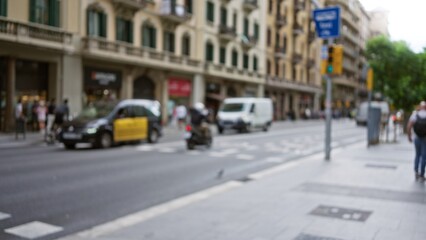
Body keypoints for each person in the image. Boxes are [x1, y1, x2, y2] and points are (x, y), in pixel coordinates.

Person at [407, 101, 426, 181]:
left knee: (417, 155)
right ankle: (422, 174)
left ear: (420, 107)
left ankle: (416, 172)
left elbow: (409, 126)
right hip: (425, 138)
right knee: (424, 156)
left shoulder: (415, 114)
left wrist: (409, 136)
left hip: (417, 137)